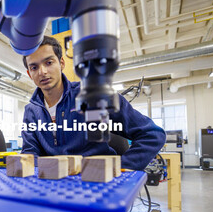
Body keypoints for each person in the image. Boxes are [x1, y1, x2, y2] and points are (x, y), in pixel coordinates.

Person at [21, 36, 166, 170]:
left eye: (49, 62)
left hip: (97, 181)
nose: (43, 72)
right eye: (34, 67)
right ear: (29, 74)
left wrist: (121, 168)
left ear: (61, 63)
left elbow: (152, 134)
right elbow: (30, 153)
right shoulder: (31, 111)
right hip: (55, 184)